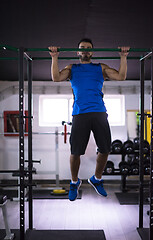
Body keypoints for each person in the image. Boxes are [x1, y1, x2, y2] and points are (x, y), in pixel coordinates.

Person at [48, 39, 130, 201]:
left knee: (105, 149)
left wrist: (123, 57)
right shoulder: (72, 68)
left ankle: (96, 178)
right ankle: (74, 182)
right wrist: (54, 57)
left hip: (99, 112)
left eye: (88, 49)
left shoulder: (101, 68)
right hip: (80, 113)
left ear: (92, 52)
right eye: (82, 49)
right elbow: (56, 78)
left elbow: (121, 77)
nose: (85, 51)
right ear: (77, 52)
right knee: (75, 152)